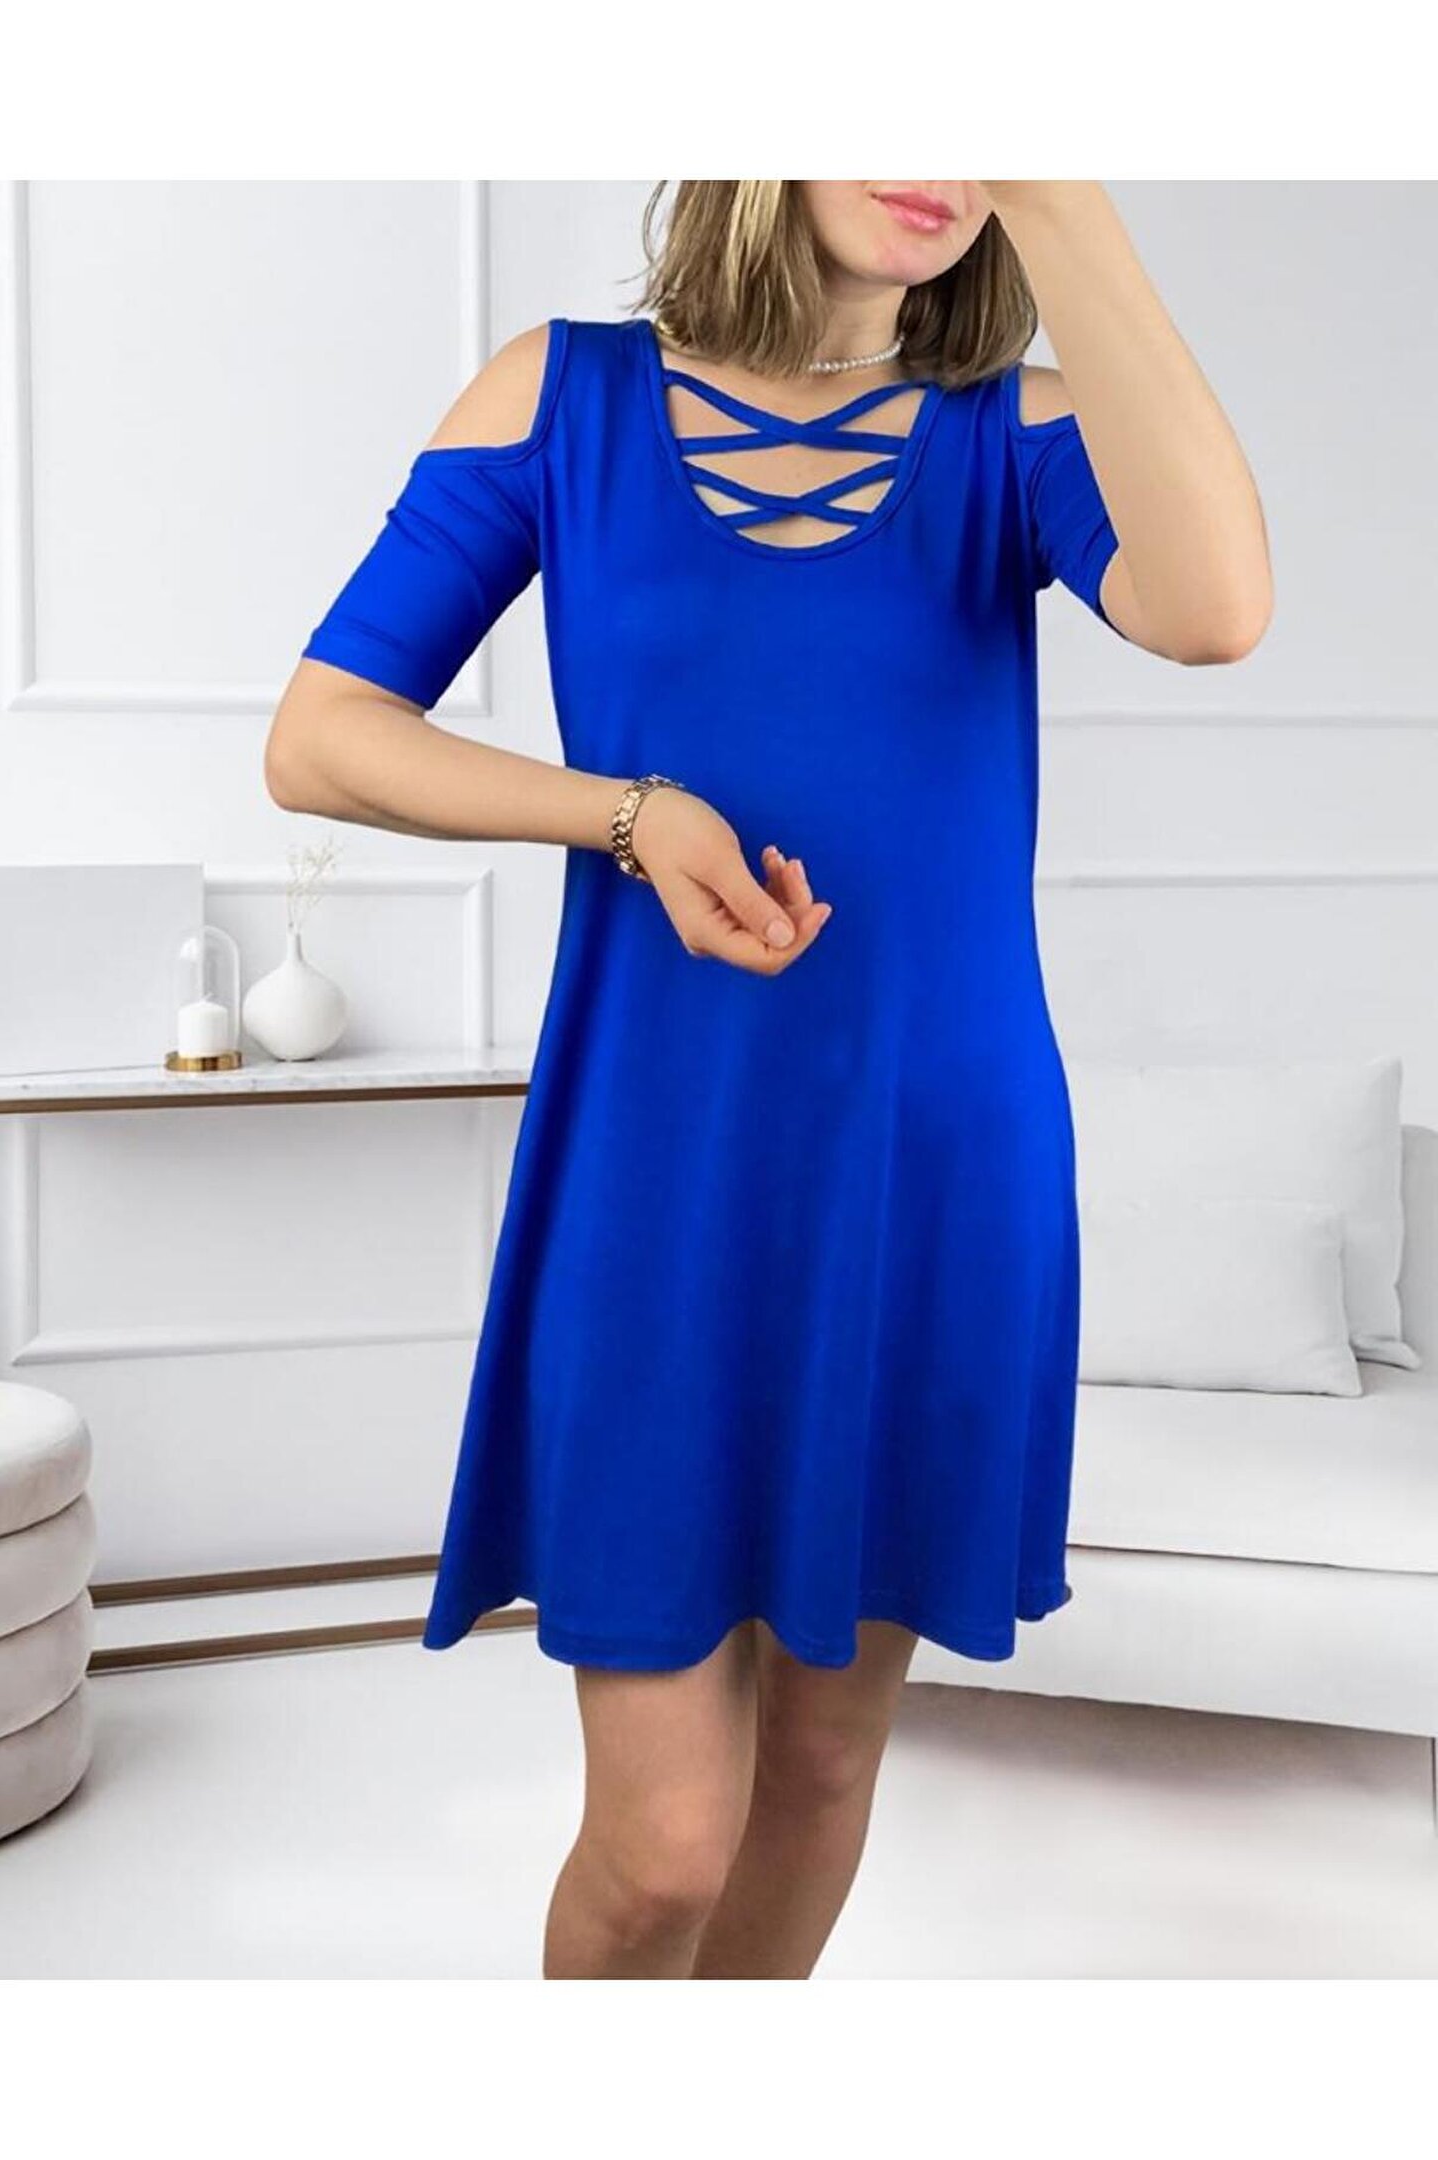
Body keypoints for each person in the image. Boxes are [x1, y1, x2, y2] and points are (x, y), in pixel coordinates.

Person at [267, 180, 1271, 1979]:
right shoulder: (561, 397)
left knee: (820, 1769)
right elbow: (322, 737)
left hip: (933, 1170)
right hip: (659, 1169)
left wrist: (1070, 205)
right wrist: (628, 815)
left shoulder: (1018, 436)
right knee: (661, 1850)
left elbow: (1214, 613)